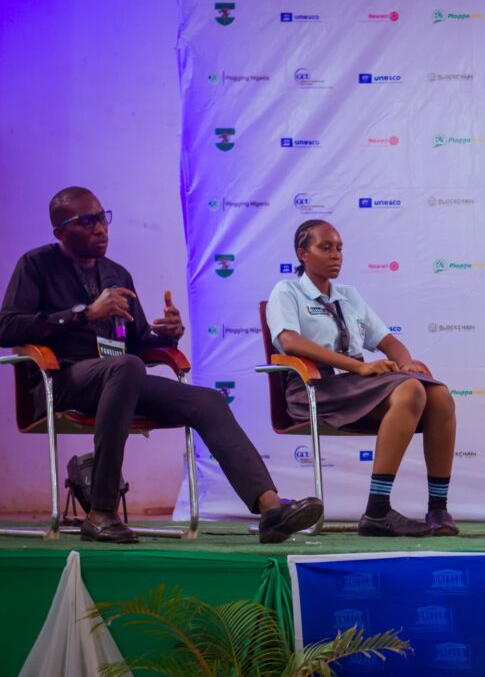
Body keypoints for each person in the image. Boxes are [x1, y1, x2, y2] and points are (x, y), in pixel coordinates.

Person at [0, 186, 323, 544]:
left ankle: (271, 509)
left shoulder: (115, 274)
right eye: (87, 221)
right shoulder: (36, 265)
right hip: (61, 379)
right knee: (125, 367)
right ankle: (101, 512)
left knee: (207, 401)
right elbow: (7, 326)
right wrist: (83, 315)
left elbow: (136, 344)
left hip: (120, 380)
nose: (100, 229)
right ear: (60, 231)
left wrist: (168, 336)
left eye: (103, 218)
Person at [266, 220, 458, 537]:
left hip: (355, 387)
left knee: (439, 396)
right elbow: (289, 342)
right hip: (314, 389)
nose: (335, 255)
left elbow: (390, 343)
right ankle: (378, 511)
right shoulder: (287, 291)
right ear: (302, 253)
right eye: (325, 247)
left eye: (339, 248)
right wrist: (358, 367)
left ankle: (438, 509)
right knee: (410, 390)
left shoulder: (349, 296)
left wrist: (406, 364)